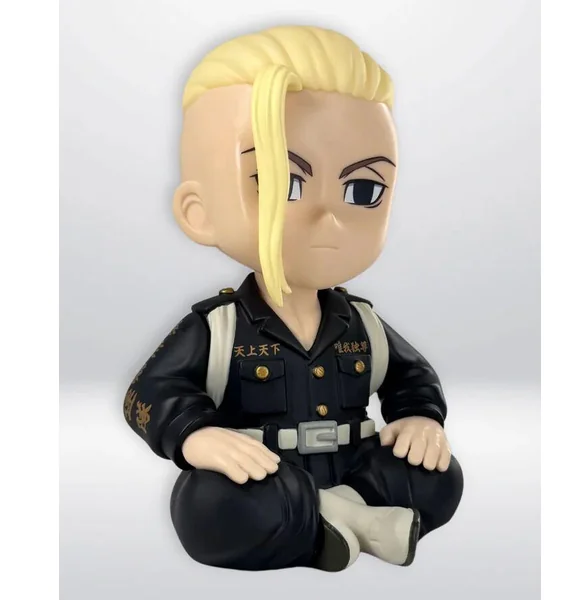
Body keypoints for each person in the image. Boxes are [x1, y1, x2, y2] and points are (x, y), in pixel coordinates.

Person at [124, 25, 463, 572]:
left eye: (363, 191)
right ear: (198, 212)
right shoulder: (220, 327)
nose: (329, 218)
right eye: (284, 183)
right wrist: (196, 436)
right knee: (210, 506)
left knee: (437, 476)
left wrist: (422, 418)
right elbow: (148, 393)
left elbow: (411, 377)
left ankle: (335, 519)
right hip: (264, 478)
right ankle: (350, 524)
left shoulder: (362, 323)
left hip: (354, 466)